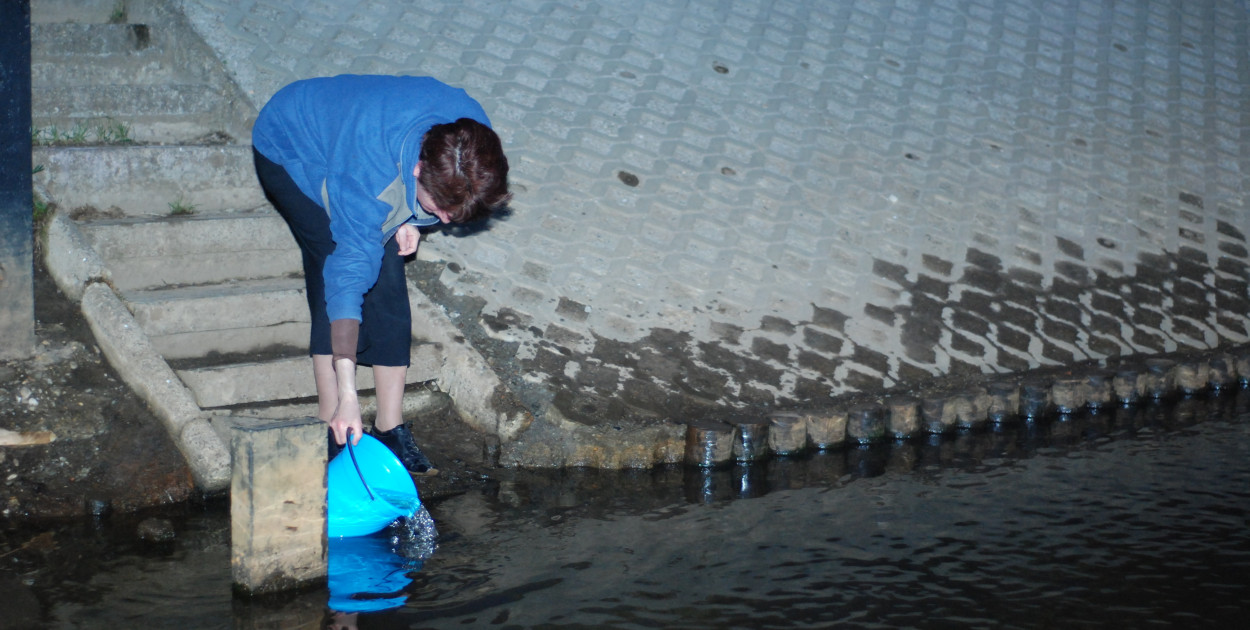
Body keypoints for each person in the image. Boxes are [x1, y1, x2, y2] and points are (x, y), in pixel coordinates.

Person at [251, 74, 510, 475]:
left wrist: (415, 218)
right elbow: (345, 287)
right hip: (293, 144)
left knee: (388, 273)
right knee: (333, 265)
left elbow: (441, 201)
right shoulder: (367, 180)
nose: (445, 221)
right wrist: (352, 393)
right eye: (438, 210)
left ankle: (389, 428)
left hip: (365, 136)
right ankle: (334, 422)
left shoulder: (473, 143)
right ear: (418, 168)